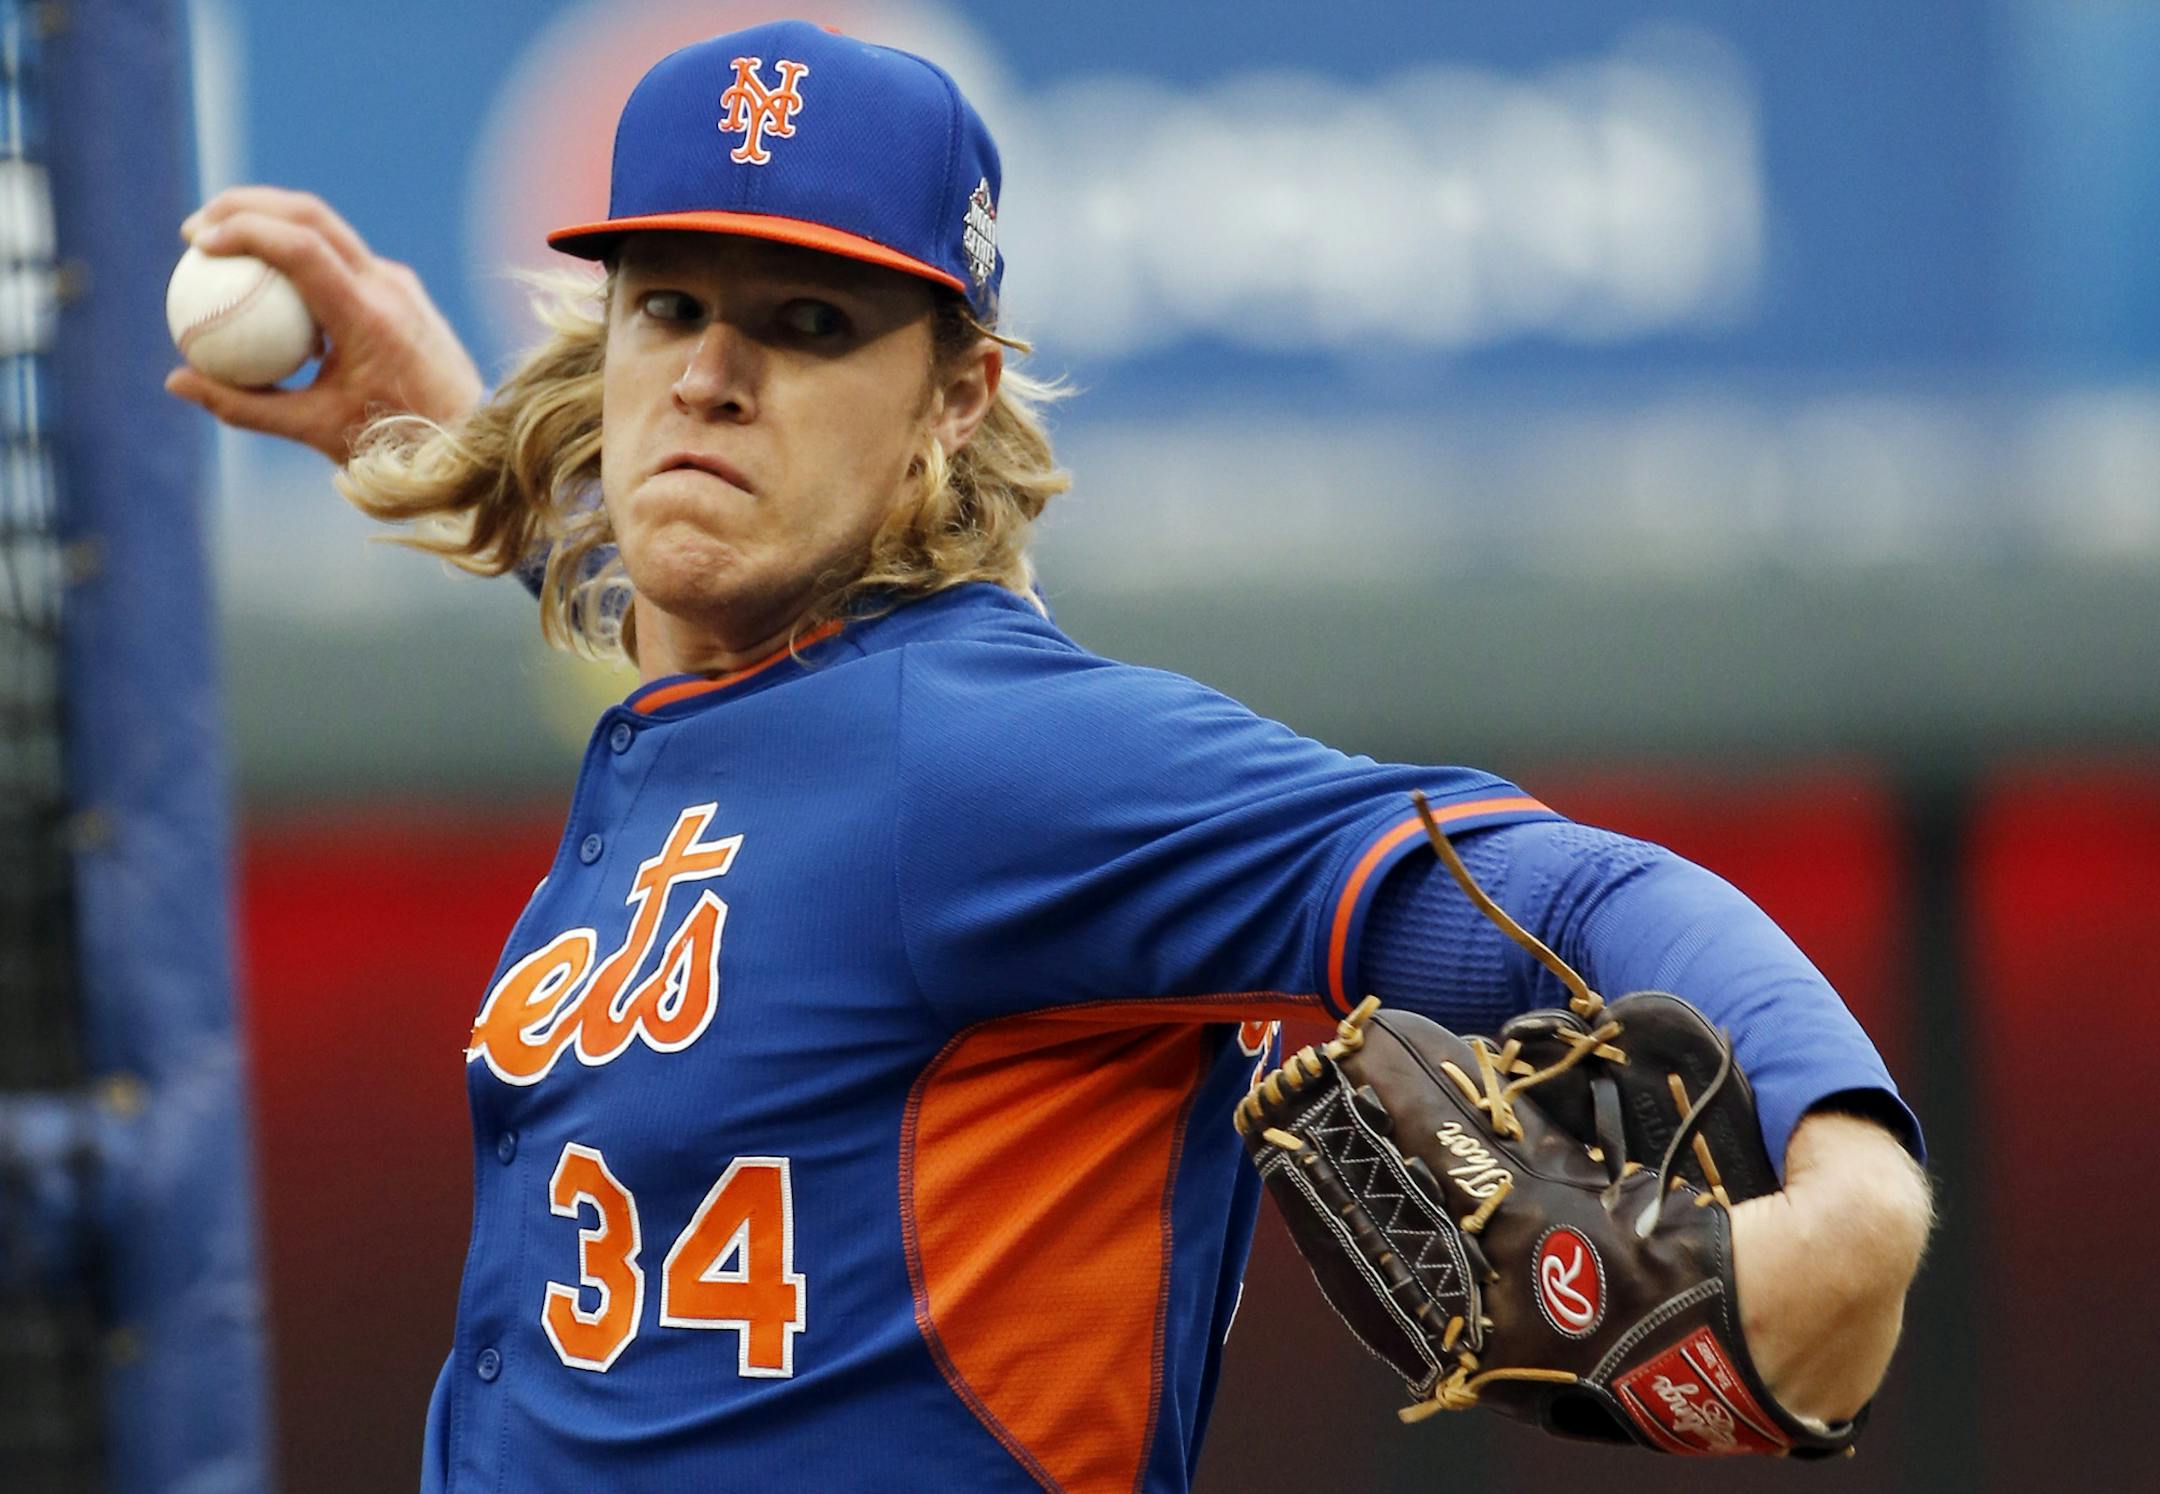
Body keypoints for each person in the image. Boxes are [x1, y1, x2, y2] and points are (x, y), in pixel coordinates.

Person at [168, 21, 1932, 1493]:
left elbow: (1552, 883)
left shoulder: (999, 758)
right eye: (668, 304)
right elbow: (757, 716)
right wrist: (459, 442)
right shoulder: (739, 714)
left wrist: (1853, 1187)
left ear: (958, 393)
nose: (712, 373)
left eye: (810, 325)